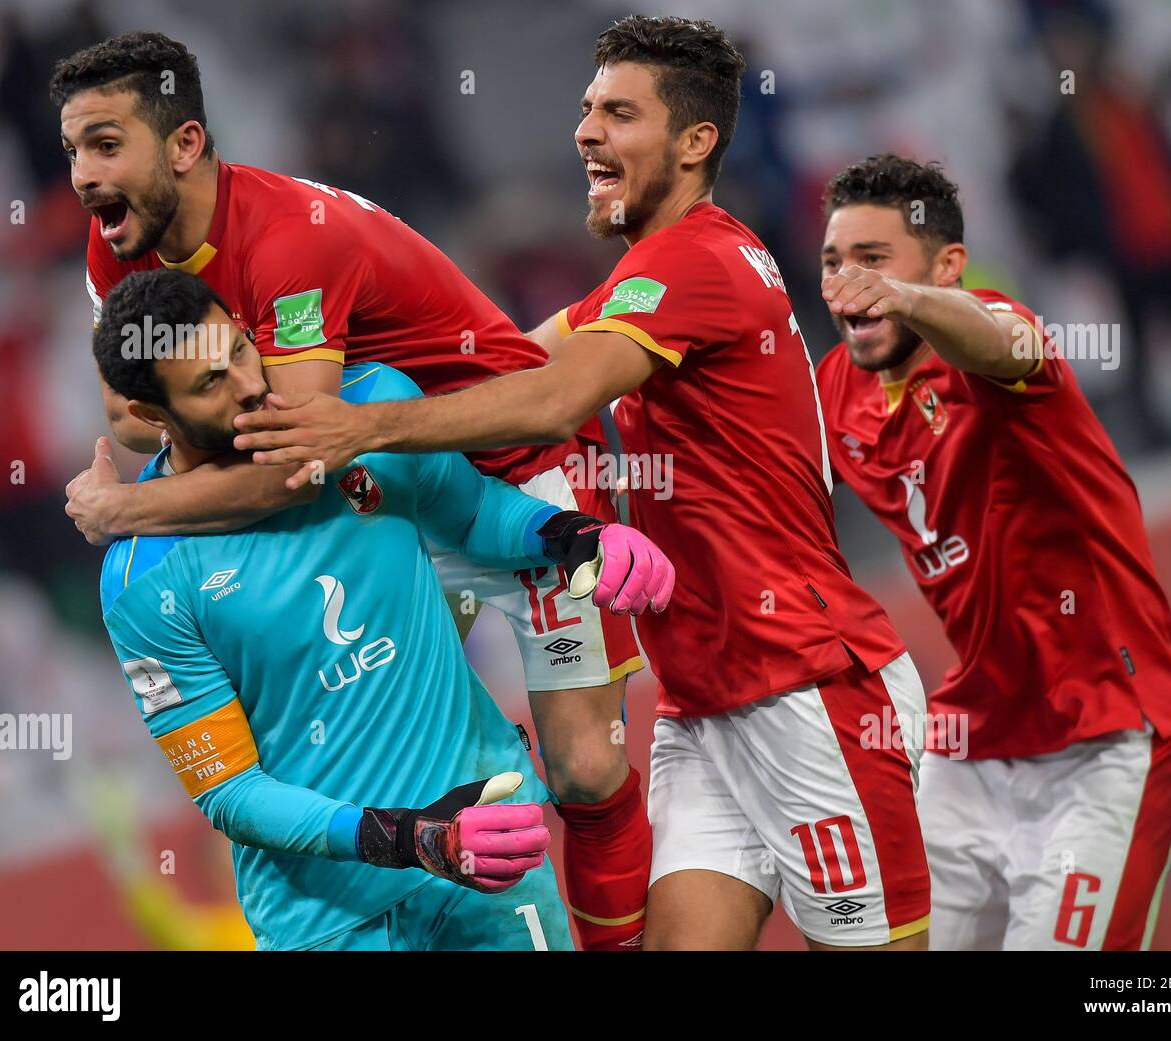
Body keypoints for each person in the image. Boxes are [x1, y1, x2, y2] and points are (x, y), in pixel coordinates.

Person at [234, 16, 931, 951]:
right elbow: (509, 365)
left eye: (618, 112)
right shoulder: (650, 277)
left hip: (813, 688)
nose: (586, 132)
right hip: (705, 708)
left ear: (695, 142)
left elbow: (548, 400)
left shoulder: (695, 263)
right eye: (586, 109)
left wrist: (361, 423)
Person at [52, 31, 651, 949]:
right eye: (71, 152)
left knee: (581, 767)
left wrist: (122, 510)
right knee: (393, 736)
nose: (85, 176)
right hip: (385, 484)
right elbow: (139, 417)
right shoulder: (119, 248)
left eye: (106, 144)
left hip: (500, 462)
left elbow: (289, 467)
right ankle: (389, 879)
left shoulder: (288, 240)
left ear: (184, 144)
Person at [95, 268, 673, 950]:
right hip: (327, 920)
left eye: (241, 350)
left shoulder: (366, 409)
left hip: (488, 855)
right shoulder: (142, 578)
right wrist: (409, 837)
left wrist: (574, 536)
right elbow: (232, 791)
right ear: (150, 417)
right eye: (209, 383)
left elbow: (477, 512)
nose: (249, 384)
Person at [813, 153, 1171, 949]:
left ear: (946, 266)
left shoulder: (993, 340)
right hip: (974, 741)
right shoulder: (838, 389)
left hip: (1110, 737)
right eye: (833, 261)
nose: (848, 282)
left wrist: (912, 301)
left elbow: (1005, 341)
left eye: (874, 260)